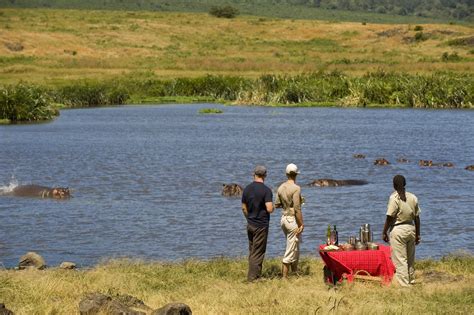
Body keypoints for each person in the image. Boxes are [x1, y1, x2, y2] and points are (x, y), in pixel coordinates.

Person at [382, 174, 421, 287]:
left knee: (400, 260)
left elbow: (389, 217)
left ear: (394, 185)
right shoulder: (413, 197)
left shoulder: (394, 198)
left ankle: (404, 287)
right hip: (411, 228)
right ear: (405, 184)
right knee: (410, 259)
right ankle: (411, 281)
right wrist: (418, 234)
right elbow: (417, 218)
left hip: (398, 230)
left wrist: (384, 231)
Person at [241, 165, 274, 281]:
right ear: (265, 175)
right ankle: (253, 278)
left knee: (252, 250)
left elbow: (244, 208)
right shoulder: (266, 190)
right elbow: (269, 208)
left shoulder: (247, 189)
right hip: (261, 225)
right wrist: (274, 207)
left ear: (253, 174)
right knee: (258, 251)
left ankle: (255, 274)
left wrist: (248, 218)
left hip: (250, 223)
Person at [275, 163, 304, 279]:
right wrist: (301, 224)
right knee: (291, 248)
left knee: (295, 246)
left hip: (283, 219)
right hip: (292, 220)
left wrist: (286, 203)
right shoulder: (296, 188)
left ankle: (295, 273)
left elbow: (277, 204)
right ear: (296, 174)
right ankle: (284, 278)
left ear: (287, 174)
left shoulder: (281, 187)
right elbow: (297, 208)